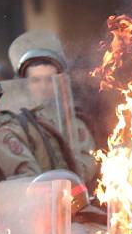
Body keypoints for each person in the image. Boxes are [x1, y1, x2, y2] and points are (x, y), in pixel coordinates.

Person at [8, 30, 99, 189]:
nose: (43, 87)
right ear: (25, 84)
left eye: (49, 80)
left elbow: (88, 162)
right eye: (35, 80)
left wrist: (67, 179)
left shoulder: (73, 120)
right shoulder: (14, 123)